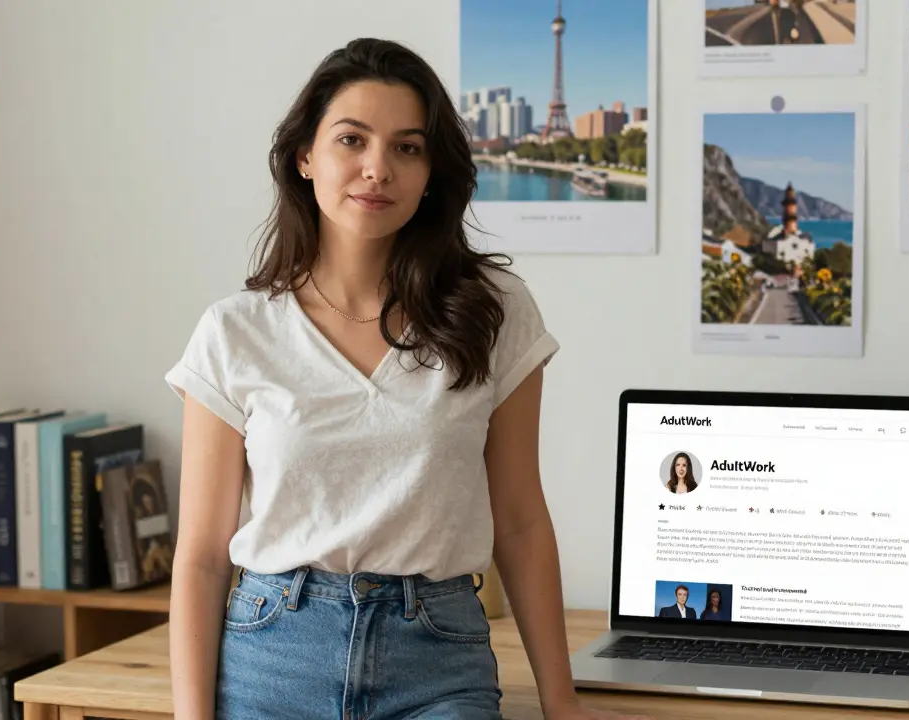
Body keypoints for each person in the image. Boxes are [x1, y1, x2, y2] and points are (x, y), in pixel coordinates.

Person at [163, 38, 654, 720]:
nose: (376, 168)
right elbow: (201, 558)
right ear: (305, 156)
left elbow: (519, 520)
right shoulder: (233, 333)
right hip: (272, 655)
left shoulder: (494, 310)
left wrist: (560, 699)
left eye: (407, 148)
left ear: (430, 174)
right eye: (352, 140)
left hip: (436, 659)